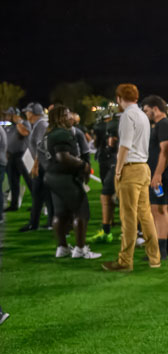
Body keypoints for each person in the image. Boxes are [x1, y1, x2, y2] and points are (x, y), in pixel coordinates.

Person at [102, 83, 162, 271]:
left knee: (128, 217)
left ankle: (125, 261)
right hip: (144, 168)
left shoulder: (128, 115)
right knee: (145, 216)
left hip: (131, 169)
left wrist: (118, 170)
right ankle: (154, 258)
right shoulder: (143, 115)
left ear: (119, 98)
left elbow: (125, 146)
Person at [39, 105, 100, 260]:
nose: (70, 117)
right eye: (67, 114)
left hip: (52, 176)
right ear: (60, 118)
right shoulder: (61, 133)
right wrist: (83, 165)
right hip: (65, 177)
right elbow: (63, 157)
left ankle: (62, 247)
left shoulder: (49, 133)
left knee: (60, 213)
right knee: (81, 212)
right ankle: (80, 249)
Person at [141, 96, 168, 259]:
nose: (145, 114)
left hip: (163, 175)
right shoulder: (166, 123)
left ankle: (160, 250)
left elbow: (167, 149)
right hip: (166, 173)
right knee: (164, 210)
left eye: (146, 110)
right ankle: (166, 248)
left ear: (155, 108)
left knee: (159, 211)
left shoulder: (163, 124)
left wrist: (157, 174)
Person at [21, 103, 53, 232]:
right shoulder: (39, 124)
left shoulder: (41, 125)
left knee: (39, 194)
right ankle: (47, 222)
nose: (26, 114)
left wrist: (35, 165)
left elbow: (41, 147)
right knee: (45, 195)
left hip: (42, 165)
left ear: (33, 113)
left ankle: (34, 223)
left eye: (28, 111)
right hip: (43, 165)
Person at [91, 108, 119, 243]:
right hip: (134, 163)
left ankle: (108, 227)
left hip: (113, 160)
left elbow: (105, 143)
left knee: (107, 194)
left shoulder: (108, 125)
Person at [4, 108, 30, 212]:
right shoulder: (8, 126)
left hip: (22, 156)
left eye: (9, 115)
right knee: (13, 182)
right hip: (11, 157)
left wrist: (18, 121)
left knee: (30, 181)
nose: (7, 117)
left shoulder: (24, 123)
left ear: (14, 115)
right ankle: (14, 205)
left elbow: (25, 133)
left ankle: (37, 204)